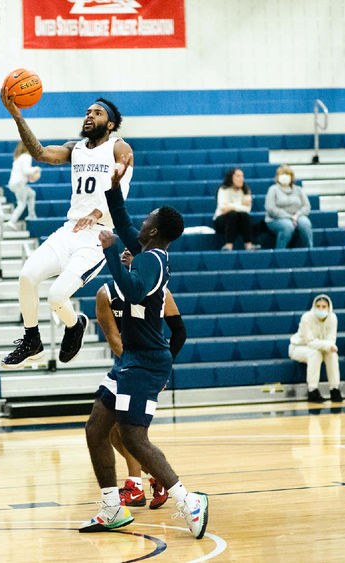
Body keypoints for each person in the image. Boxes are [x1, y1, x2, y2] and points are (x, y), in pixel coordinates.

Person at [80, 156, 208, 539]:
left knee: (134, 436)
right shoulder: (146, 250)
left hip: (147, 362)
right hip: (130, 360)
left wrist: (109, 250)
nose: (143, 219)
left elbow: (134, 288)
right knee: (95, 430)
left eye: (148, 217)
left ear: (154, 230)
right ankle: (111, 508)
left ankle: (189, 501)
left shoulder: (153, 260)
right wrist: (115, 185)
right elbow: (120, 220)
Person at [0, 87, 133, 368]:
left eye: (97, 113)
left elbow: (122, 184)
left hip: (98, 236)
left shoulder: (118, 147)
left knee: (57, 296)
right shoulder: (77, 148)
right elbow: (40, 153)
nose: (89, 116)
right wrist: (17, 117)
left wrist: (100, 207)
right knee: (27, 276)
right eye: (87, 112)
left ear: (109, 124)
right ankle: (32, 340)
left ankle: (75, 325)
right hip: (70, 229)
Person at [95, 248, 186, 509]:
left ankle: (134, 486)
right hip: (126, 364)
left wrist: (162, 368)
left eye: (133, 252)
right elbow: (114, 339)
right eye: (122, 250)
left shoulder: (160, 292)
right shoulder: (106, 293)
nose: (126, 254)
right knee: (112, 434)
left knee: (129, 431)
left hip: (146, 367)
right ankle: (156, 476)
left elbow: (179, 332)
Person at [289, 294, 342, 403]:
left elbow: (331, 340)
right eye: (318, 306)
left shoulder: (333, 318)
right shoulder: (306, 318)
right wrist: (327, 345)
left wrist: (328, 346)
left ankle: (335, 389)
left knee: (332, 354)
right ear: (314, 306)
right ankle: (312, 391)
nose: (320, 309)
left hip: (320, 348)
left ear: (329, 307)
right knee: (315, 354)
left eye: (324, 306)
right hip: (299, 348)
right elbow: (310, 342)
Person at [264, 165, 313, 249]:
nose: (285, 177)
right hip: (276, 219)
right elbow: (270, 208)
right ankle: (280, 253)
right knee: (288, 226)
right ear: (277, 177)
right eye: (282, 174)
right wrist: (289, 217)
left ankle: (309, 251)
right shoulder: (273, 189)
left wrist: (297, 215)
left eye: (287, 174)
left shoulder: (298, 189)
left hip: (297, 216)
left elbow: (306, 206)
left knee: (305, 224)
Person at [213, 168, 254, 251]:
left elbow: (247, 210)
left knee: (244, 215)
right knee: (232, 214)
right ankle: (228, 245)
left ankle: (248, 245)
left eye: (242, 176)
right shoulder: (223, 189)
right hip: (222, 221)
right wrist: (240, 204)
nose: (241, 178)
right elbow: (223, 208)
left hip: (239, 221)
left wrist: (231, 206)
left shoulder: (246, 191)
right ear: (231, 177)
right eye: (238, 176)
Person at [5, 141, 41, 229]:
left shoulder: (20, 157)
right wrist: (36, 169)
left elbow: (22, 172)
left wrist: (29, 177)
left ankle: (32, 214)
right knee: (21, 203)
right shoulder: (26, 156)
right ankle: (11, 221)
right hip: (18, 183)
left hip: (16, 183)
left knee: (32, 193)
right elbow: (26, 170)